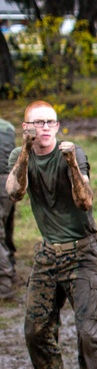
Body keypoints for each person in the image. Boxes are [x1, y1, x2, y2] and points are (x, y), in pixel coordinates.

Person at [6, 101, 97, 369]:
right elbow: (15, 192)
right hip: (47, 255)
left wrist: (70, 162)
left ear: (57, 126)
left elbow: (85, 201)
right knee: (34, 330)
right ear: (25, 127)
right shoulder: (19, 157)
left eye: (50, 122)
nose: (45, 128)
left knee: (89, 332)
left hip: (82, 253)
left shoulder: (74, 153)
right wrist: (25, 151)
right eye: (37, 123)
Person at [0, 116, 17, 299]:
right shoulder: (8, 126)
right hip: (10, 181)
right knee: (6, 228)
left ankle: (4, 284)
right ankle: (12, 272)